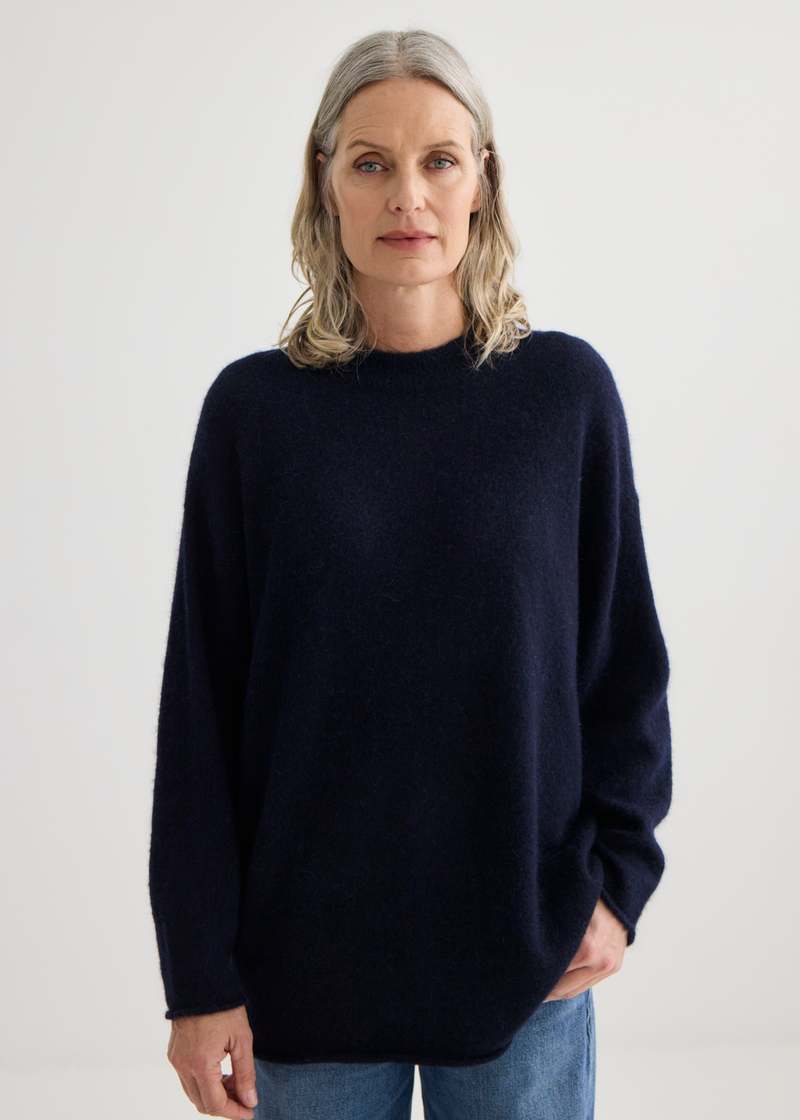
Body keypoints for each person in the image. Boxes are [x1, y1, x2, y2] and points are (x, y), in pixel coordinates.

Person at [148, 27, 672, 1120]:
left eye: (439, 159)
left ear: (483, 179)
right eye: (370, 162)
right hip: (304, 981)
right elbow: (200, 712)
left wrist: (619, 882)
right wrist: (198, 978)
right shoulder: (254, 415)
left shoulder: (563, 397)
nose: (408, 196)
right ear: (324, 183)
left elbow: (621, 666)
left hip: (526, 970)